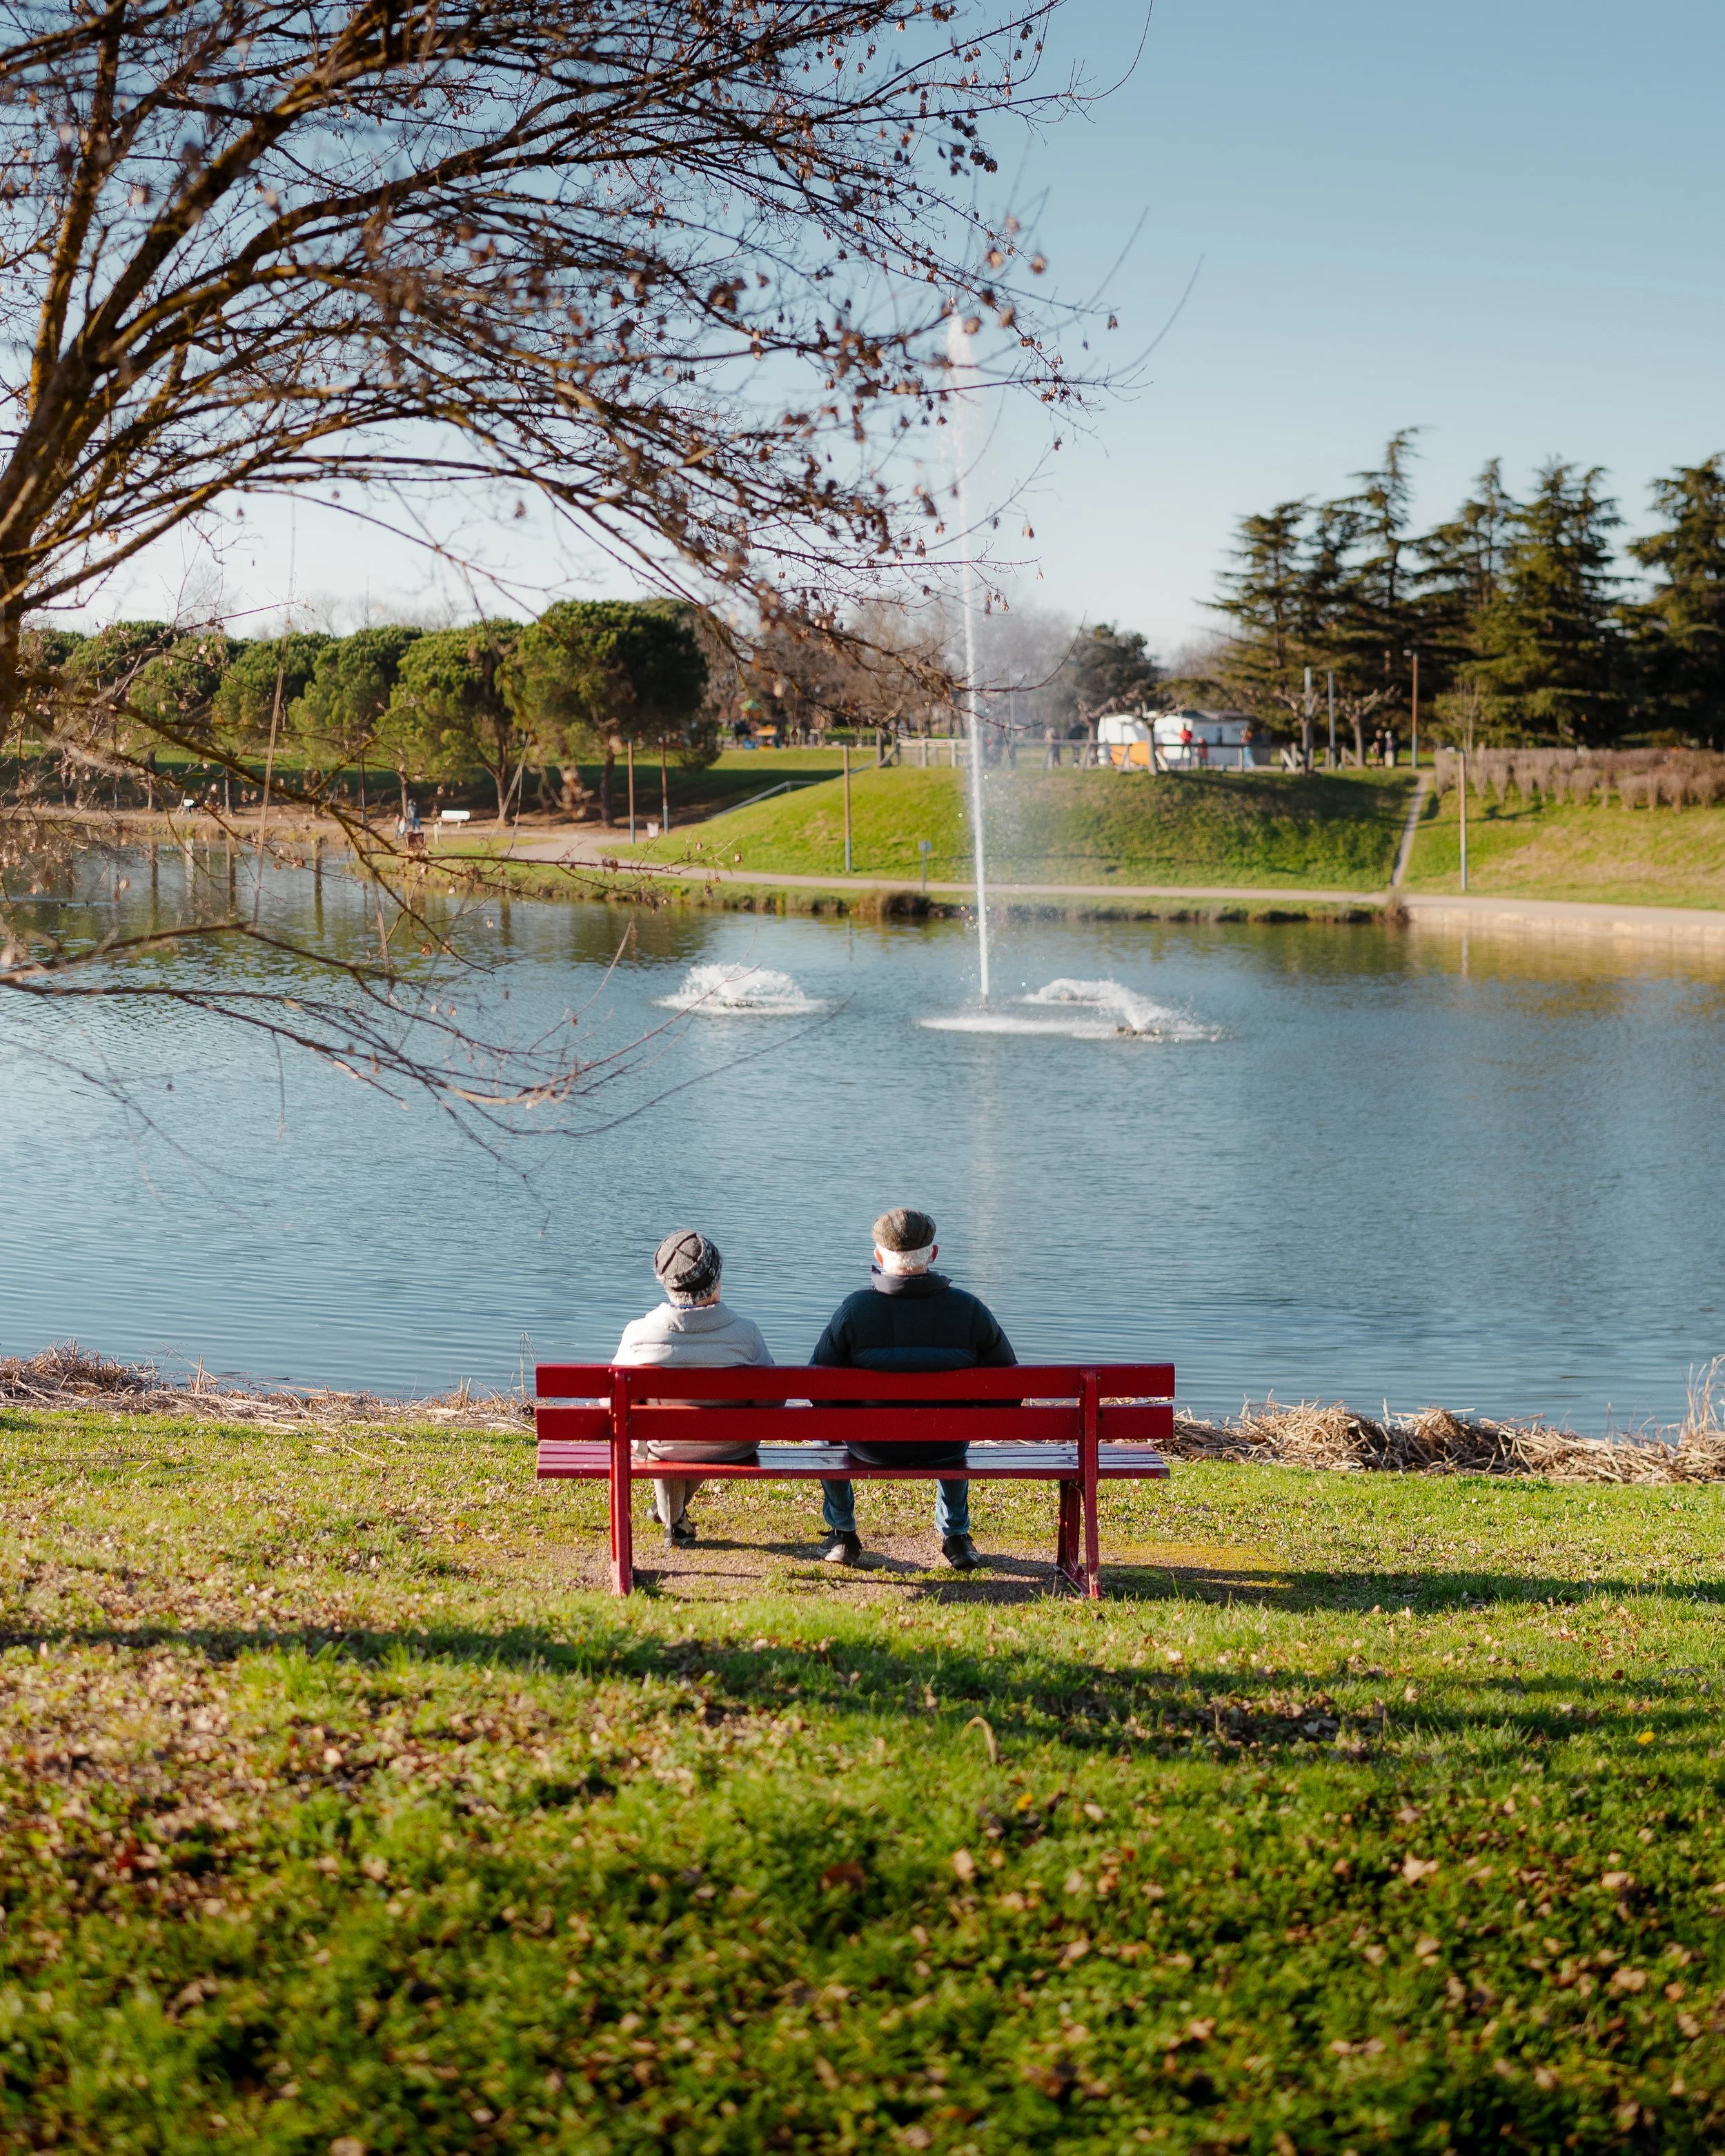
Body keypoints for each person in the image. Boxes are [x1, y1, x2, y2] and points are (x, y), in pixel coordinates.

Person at [814, 1207, 1016, 1574]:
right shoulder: (968, 1309)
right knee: (955, 1424)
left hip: (870, 1446)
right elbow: (1008, 1386)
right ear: (933, 1253)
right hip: (945, 1446)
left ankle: (843, 1533)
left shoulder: (855, 1309)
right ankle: (956, 1536)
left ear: (878, 1256)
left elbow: (817, 1384)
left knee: (826, 1431)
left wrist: (850, 1414)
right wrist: (967, 1414)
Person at [611, 1230, 772, 1547]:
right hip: (733, 1447)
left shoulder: (639, 1334)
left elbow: (611, 1401)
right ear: (716, 1280)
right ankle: (673, 1519)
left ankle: (671, 1517)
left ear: (666, 1283)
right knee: (682, 1430)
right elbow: (773, 1400)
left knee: (661, 1430)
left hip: (662, 1447)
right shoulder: (746, 1335)